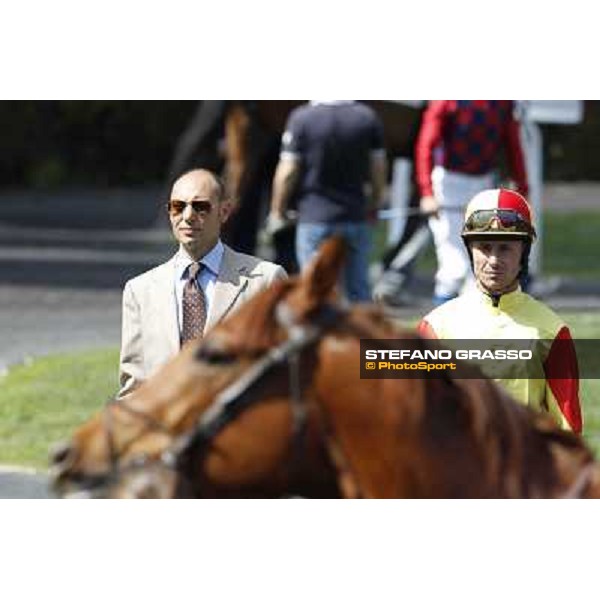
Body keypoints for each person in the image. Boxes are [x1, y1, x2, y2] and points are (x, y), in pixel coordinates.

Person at [418, 188, 582, 433]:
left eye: (505, 248)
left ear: (523, 254)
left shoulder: (552, 331)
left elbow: (568, 428)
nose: (494, 260)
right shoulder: (435, 327)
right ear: (470, 250)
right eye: (485, 247)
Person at [118, 168, 287, 397]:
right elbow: (133, 387)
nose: (187, 216)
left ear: (224, 212)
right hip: (168, 426)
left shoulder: (266, 280)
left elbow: (285, 372)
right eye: (178, 207)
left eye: (200, 207)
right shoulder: (139, 291)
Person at [267, 101, 387, 302]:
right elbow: (379, 168)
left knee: (313, 293)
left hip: (314, 219)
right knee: (359, 293)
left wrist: (277, 210)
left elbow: (287, 172)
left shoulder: (302, 118)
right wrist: (375, 202)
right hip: (355, 217)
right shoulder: (367, 117)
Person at [414, 100, 529, 305]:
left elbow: (513, 143)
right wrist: (427, 192)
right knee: (454, 267)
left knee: (477, 272)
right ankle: (436, 330)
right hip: (448, 182)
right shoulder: (447, 100)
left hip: (483, 183)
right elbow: (426, 144)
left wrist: (522, 187)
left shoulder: (502, 102)